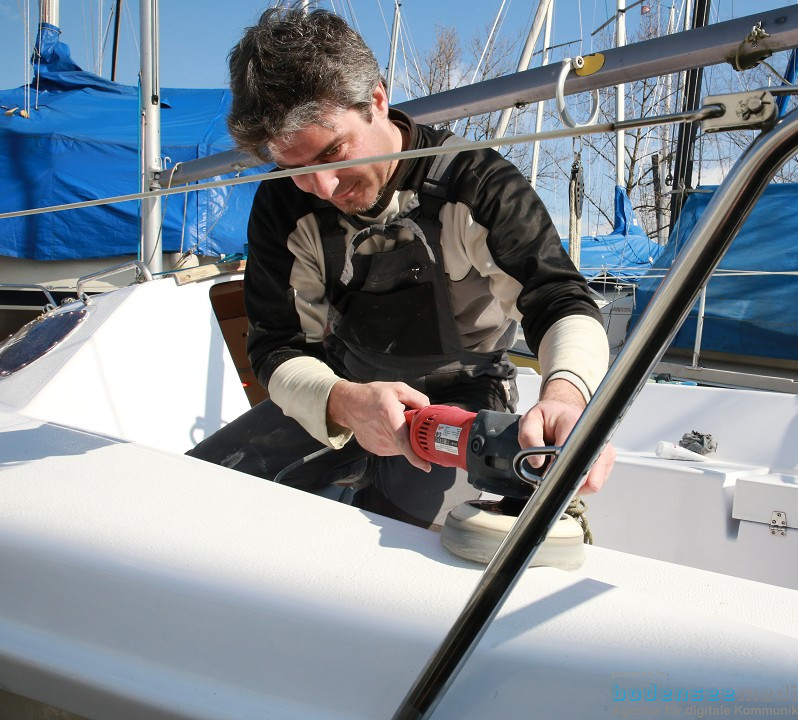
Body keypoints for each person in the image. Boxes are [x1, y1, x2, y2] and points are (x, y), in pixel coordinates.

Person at [188, 7, 614, 529]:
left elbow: (560, 299)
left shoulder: (477, 182)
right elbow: (277, 349)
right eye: (294, 169)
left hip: (461, 399)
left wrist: (565, 396)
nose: (323, 188)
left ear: (377, 100)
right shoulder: (282, 206)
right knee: (200, 494)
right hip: (343, 387)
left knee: (393, 532)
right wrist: (342, 402)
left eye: (333, 153)